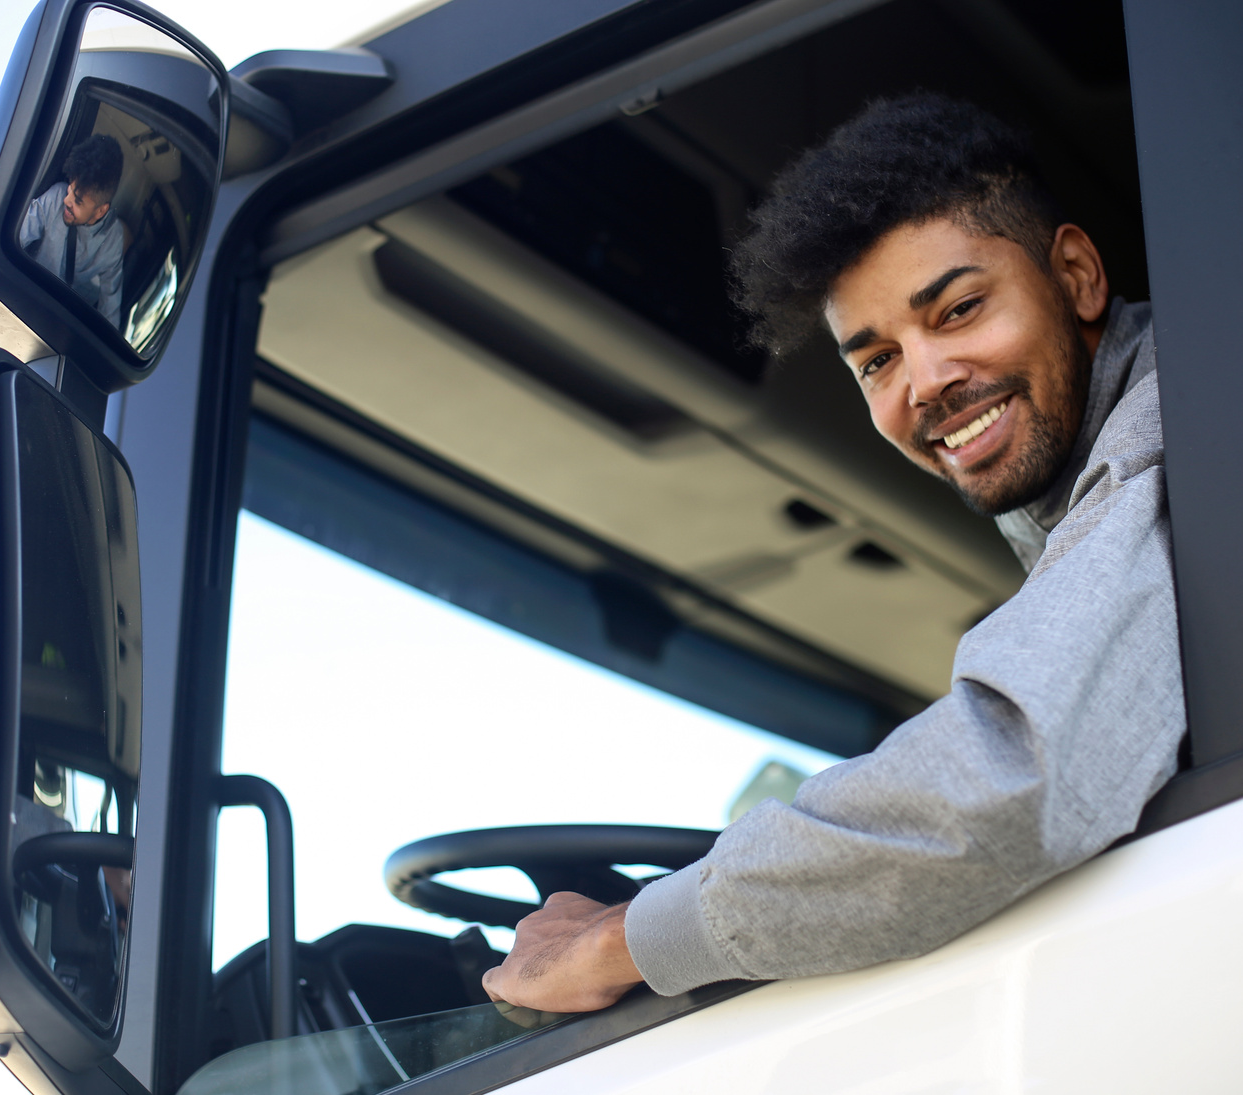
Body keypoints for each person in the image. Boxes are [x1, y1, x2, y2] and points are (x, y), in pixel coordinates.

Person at [481, 93, 1187, 1012]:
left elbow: (1008, 777)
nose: (926, 382)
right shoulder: (1097, 487)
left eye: (960, 308)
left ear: (1078, 274)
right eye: (877, 361)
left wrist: (626, 937)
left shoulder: (1172, 432)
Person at [18, 133, 126, 329]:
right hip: (27, 304)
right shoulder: (55, 198)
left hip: (62, 325)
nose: (66, 201)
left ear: (101, 210)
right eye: (70, 189)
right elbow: (18, 235)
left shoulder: (113, 239)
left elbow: (110, 309)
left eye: (77, 201)